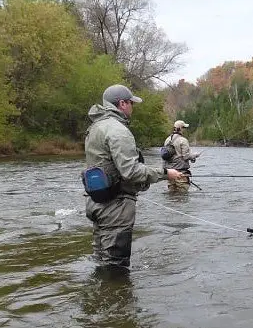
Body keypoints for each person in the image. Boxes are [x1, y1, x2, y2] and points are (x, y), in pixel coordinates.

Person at [84, 84, 184, 268]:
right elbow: (131, 171)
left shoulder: (95, 127)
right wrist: (165, 173)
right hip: (115, 207)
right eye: (131, 103)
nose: (133, 107)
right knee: (116, 267)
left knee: (101, 262)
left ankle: (101, 296)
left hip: (96, 202)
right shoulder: (118, 131)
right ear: (122, 103)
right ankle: (113, 295)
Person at [163, 120, 200, 193]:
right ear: (180, 128)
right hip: (181, 173)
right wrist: (195, 155)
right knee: (182, 197)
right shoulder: (183, 140)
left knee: (172, 195)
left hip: (170, 174)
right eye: (184, 128)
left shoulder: (167, 140)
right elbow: (186, 156)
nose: (184, 130)